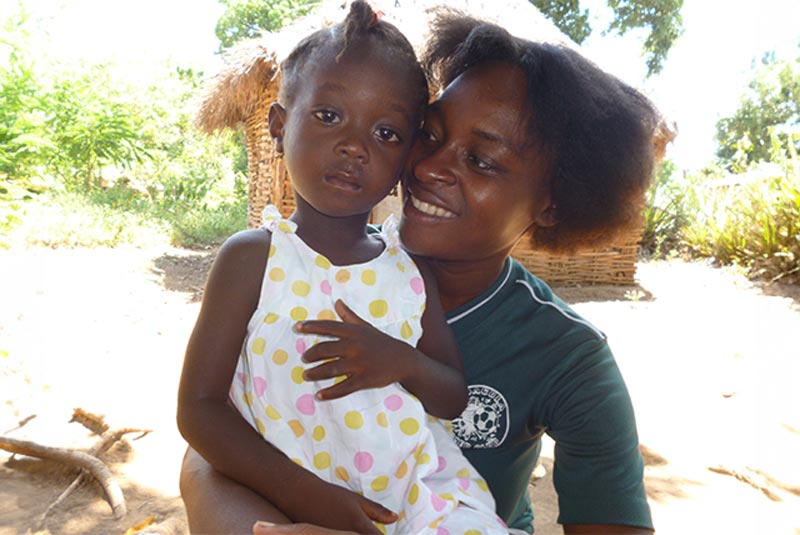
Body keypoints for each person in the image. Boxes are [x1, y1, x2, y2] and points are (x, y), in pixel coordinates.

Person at [179, 8, 661, 535]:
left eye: (481, 160)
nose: (429, 168)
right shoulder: (268, 263)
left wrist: (403, 363)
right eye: (429, 137)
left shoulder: (570, 358)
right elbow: (206, 448)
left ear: (550, 203)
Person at [176, 3, 507, 535]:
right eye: (329, 117)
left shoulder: (408, 272)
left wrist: (403, 362)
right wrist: (300, 493)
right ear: (280, 127)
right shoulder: (253, 260)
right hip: (281, 496)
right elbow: (198, 410)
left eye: (386, 133)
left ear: (404, 162)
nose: (354, 145)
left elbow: (452, 396)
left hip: (415, 501)